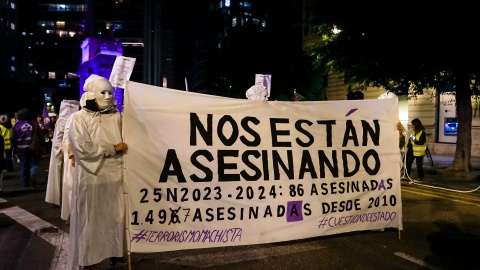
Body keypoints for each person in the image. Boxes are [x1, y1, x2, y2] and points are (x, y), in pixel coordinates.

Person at [67, 74, 127, 269]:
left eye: (110, 92)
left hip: (116, 177)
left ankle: (116, 252)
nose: (108, 96)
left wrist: (131, 118)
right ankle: (88, 258)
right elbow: (83, 148)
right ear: (92, 94)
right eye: (104, 92)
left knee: (115, 216)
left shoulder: (117, 116)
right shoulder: (78, 118)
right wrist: (112, 148)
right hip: (91, 178)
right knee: (90, 219)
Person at [45, 100, 80, 208]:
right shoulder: (62, 122)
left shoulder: (76, 119)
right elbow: (58, 142)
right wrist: (67, 152)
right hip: (67, 156)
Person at [10, 109, 43, 187]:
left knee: (23, 165)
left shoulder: (17, 125)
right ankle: (33, 174)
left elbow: (12, 138)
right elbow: (40, 135)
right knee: (34, 163)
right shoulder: (34, 124)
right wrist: (42, 144)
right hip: (33, 147)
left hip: (21, 148)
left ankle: (25, 182)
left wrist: (13, 147)